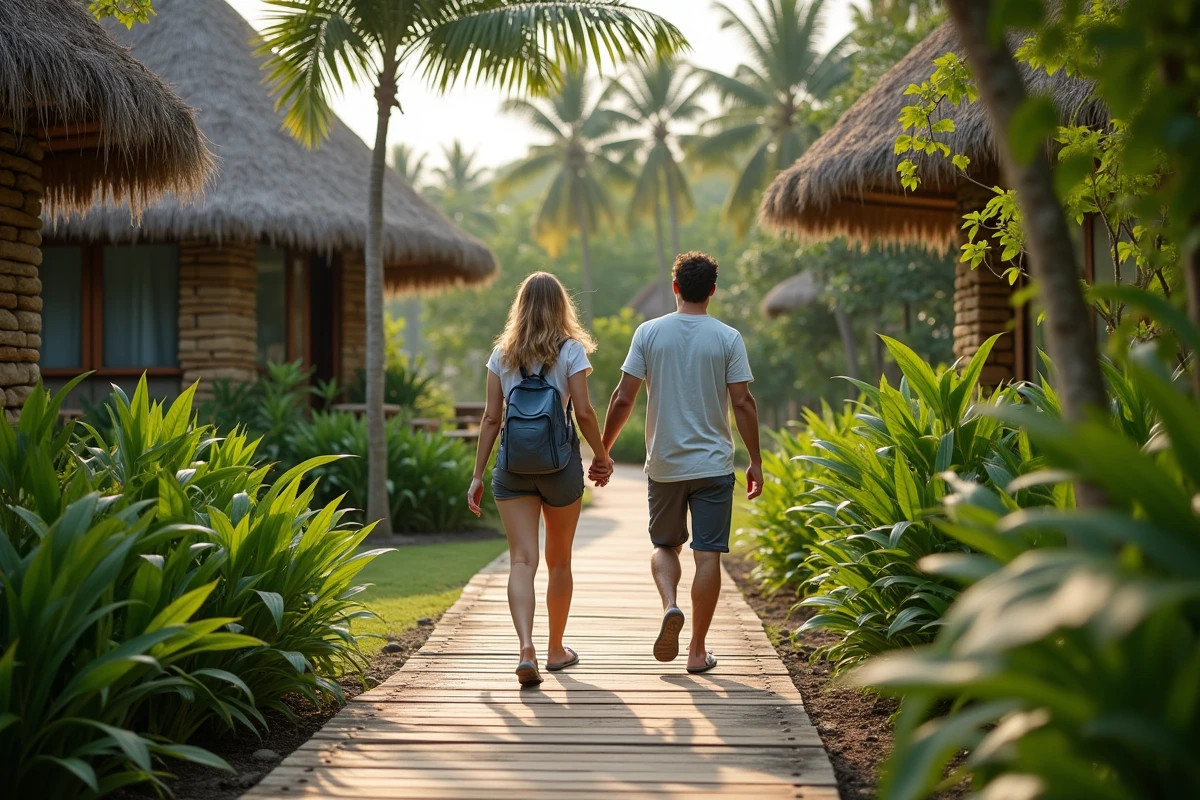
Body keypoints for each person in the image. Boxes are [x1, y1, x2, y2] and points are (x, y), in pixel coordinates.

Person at [592, 251, 762, 674]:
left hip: (665, 464)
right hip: (713, 466)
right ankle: (696, 652)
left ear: (675, 288)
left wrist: (604, 451)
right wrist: (756, 461)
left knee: (665, 546)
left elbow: (623, 397)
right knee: (708, 555)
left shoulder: (649, 333)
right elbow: (743, 402)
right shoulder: (728, 338)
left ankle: (670, 604)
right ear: (712, 291)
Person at [468, 272, 613, 686]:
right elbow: (583, 412)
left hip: (512, 468)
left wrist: (477, 475)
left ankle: (525, 648)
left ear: (520, 307)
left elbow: (491, 418)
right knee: (559, 561)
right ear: (561, 306)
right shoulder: (571, 351)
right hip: (560, 467)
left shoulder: (502, 354)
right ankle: (555, 650)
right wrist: (601, 456)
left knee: (521, 560)